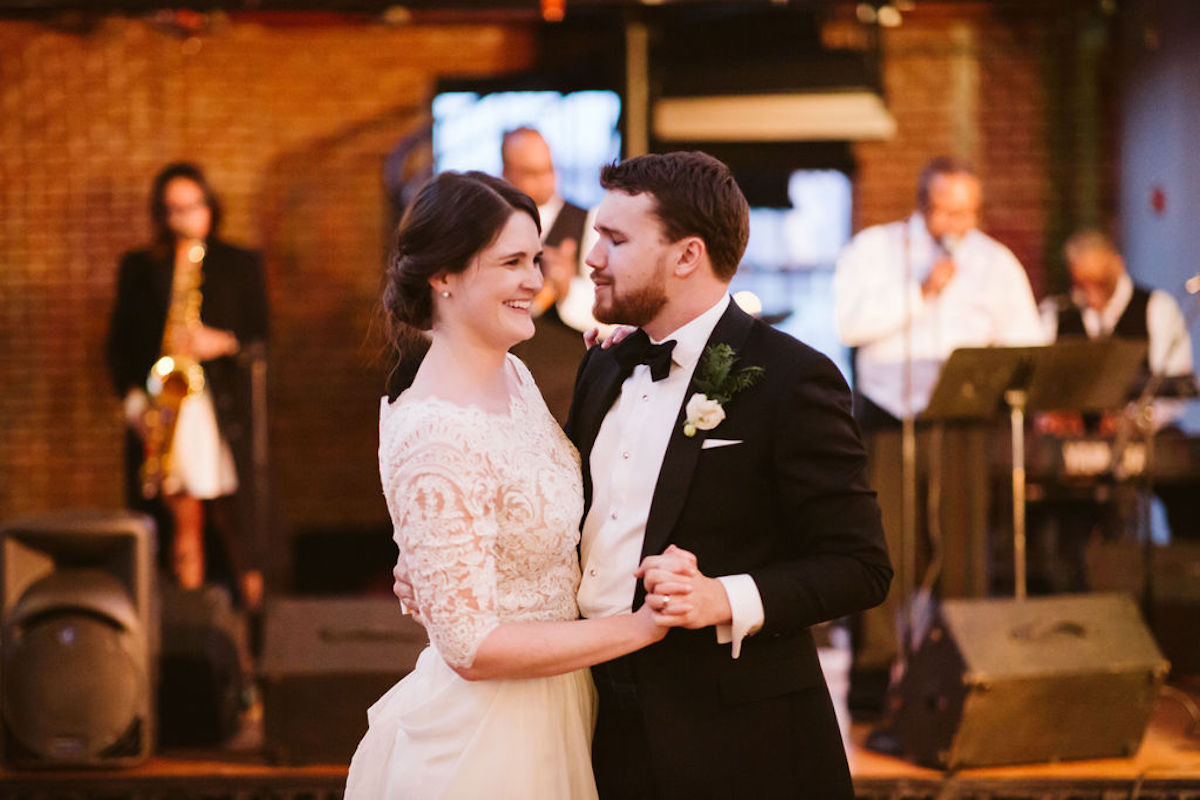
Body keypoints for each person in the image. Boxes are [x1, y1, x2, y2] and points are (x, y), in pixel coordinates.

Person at [345, 171, 686, 799]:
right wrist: (640, 627)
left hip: (559, 705)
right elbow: (470, 648)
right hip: (486, 741)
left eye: (536, 259)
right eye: (512, 262)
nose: (535, 279)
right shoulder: (434, 431)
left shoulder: (518, 378)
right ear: (442, 278)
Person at [568, 150, 891, 799]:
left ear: (686, 255)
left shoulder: (793, 378)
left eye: (616, 238)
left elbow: (861, 565)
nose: (591, 256)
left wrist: (724, 598)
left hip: (738, 741)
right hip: (591, 719)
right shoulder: (603, 365)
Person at [832, 157, 1044, 682]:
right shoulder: (876, 251)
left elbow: (1025, 340)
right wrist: (920, 294)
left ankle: (961, 676)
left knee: (963, 552)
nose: (959, 224)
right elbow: (850, 324)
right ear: (924, 205)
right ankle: (875, 677)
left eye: (969, 212)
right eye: (949, 211)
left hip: (963, 418)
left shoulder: (995, 262)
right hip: (888, 415)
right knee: (885, 545)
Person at [106, 162, 268, 609]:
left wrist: (221, 342)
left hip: (221, 411)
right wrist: (136, 403)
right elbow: (118, 346)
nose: (185, 217)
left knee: (237, 525)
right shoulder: (140, 267)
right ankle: (187, 618)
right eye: (173, 210)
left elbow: (261, 337)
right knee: (181, 523)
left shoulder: (240, 263)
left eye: (193, 206)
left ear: (210, 204)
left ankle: (252, 630)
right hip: (165, 409)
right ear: (161, 214)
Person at [1036, 229, 1198, 552]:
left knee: (1189, 490)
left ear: (1118, 266)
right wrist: (1051, 414)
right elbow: (1036, 380)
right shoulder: (1056, 313)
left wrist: (1138, 420)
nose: (1091, 292)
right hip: (1075, 439)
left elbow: (1178, 385)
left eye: (1099, 282)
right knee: (1051, 509)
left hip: (1142, 433)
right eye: (1082, 282)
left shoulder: (1157, 307)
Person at [503, 127, 596, 423]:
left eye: (549, 169)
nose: (545, 180)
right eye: (532, 172)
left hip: (565, 390)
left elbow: (612, 316)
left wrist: (569, 289)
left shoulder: (588, 222)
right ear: (507, 173)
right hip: (503, 392)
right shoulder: (493, 228)